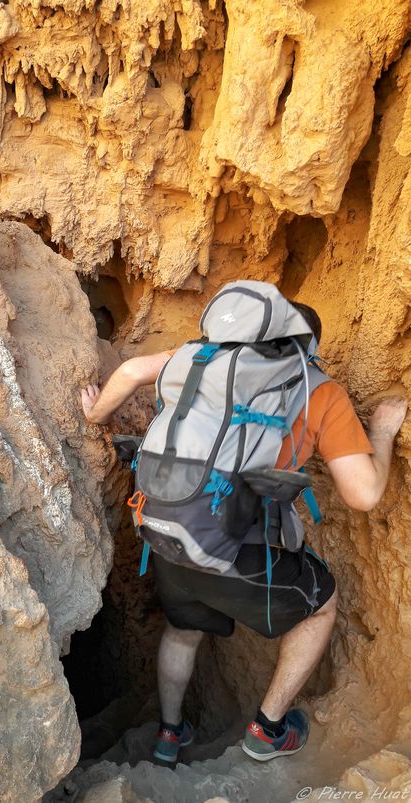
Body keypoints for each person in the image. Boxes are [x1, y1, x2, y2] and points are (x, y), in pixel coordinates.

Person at [80, 300, 407, 764]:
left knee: (182, 627)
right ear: (309, 346)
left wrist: (96, 416)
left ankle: (169, 736)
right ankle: (266, 731)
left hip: (170, 532)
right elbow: (364, 494)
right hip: (240, 550)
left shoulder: (203, 357)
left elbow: (133, 370)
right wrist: (382, 434)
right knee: (322, 605)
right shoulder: (318, 390)